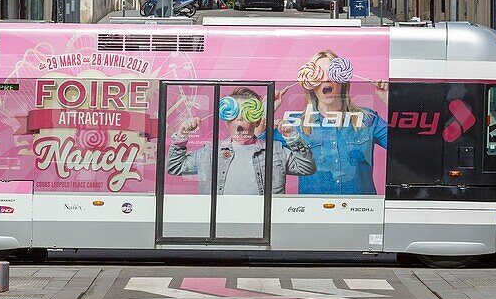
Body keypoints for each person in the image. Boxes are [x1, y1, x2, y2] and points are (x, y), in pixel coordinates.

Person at [166, 87, 315, 194]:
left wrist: (292, 137)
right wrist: (182, 134)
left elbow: (306, 168)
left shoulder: (276, 151)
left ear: (257, 121)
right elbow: (175, 167)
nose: (239, 118)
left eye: (247, 114)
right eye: (234, 114)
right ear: (226, 121)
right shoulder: (210, 152)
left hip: (264, 226)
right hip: (218, 226)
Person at [286, 49, 388, 195]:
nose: (326, 79)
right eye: (319, 74)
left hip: (361, 213)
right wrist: (268, 107)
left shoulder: (368, 119)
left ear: (342, 80)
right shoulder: (295, 124)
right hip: (312, 213)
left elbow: (403, 145)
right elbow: (259, 145)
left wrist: (388, 99)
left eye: (332, 73)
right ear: (310, 83)